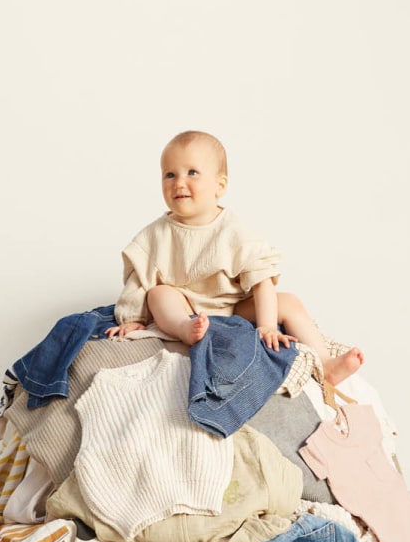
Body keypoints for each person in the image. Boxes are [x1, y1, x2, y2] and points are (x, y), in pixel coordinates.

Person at [104, 129, 365, 390]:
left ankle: (326, 364)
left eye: (192, 172)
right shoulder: (155, 235)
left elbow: (262, 278)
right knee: (158, 294)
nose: (179, 182)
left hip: (232, 308)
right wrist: (132, 320)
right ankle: (186, 329)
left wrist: (267, 327)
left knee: (289, 301)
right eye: (169, 174)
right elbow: (139, 278)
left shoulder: (234, 230)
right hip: (185, 306)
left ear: (220, 185)